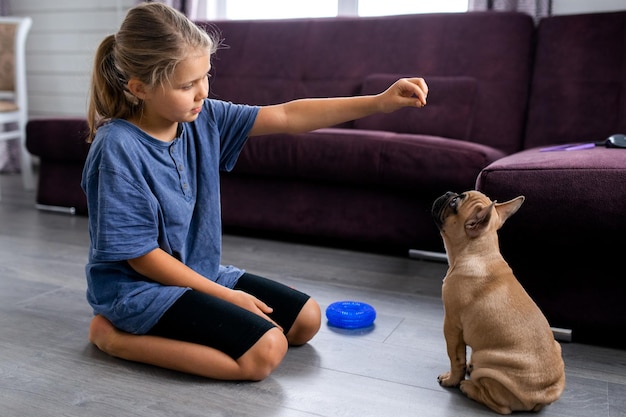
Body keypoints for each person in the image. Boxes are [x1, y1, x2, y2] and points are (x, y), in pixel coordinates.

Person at [82, 2, 428, 382]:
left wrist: (378, 102)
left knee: (306, 320)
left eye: (205, 77)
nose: (202, 92)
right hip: (137, 291)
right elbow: (142, 258)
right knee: (265, 352)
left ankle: (206, 312)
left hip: (202, 273)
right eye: (186, 85)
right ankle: (113, 338)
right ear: (139, 88)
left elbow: (287, 116)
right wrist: (225, 297)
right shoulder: (116, 148)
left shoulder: (204, 117)